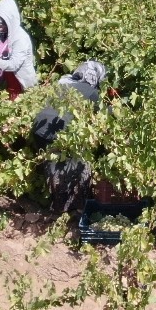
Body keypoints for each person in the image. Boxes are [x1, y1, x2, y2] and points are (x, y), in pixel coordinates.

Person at [32, 60, 107, 212]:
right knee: (79, 165)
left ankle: (58, 207)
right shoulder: (91, 92)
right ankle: (78, 207)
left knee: (54, 166)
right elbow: (103, 116)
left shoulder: (62, 83)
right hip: (62, 132)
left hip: (39, 129)